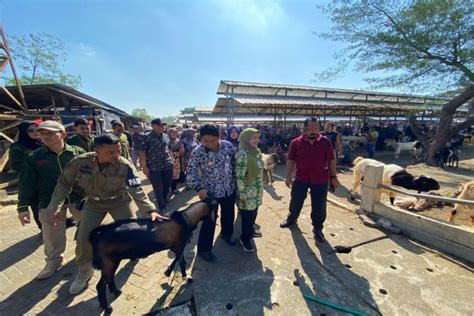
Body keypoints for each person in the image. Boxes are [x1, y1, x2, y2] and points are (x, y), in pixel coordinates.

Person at [47, 134, 168, 294]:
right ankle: (85, 270)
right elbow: (64, 184)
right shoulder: (79, 162)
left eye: (118, 151)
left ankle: (135, 252)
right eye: (111, 152)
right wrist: (55, 206)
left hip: (119, 201)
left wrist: (150, 210)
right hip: (93, 204)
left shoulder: (125, 165)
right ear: (96, 151)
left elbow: (137, 190)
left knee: (130, 233)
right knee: (84, 237)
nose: (116, 155)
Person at [17, 121, 85, 280]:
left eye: (49, 132)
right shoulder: (34, 158)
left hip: (79, 199)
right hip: (49, 202)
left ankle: (87, 256)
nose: (44, 136)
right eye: (42, 133)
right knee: (51, 235)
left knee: (86, 228)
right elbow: (26, 183)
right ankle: (53, 262)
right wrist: (22, 207)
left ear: (63, 134)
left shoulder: (77, 152)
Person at [279, 117, 340, 243]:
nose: (314, 132)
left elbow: (331, 160)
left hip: (320, 178)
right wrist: (288, 176)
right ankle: (292, 219)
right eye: (310, 129)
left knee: (319, 205)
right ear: (304, 129)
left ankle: (318, 228)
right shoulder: (296, 142)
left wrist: (333, 177)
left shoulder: (326, 142)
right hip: (301, 177)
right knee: (296, 200)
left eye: (317, 129)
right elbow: (290, 160)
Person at [186, 124, 237, 262]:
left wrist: (237, 182)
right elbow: (191, 172)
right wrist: (199, 188)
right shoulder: (198, 152)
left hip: (228, 188)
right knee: (209, 220)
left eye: (212, 141)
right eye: (205, 141)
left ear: (219, 136)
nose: (209, 144)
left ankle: (227, 234)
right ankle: (204, 249)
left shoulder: (228, 147)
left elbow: (234, 166)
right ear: (200, 138)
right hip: (210, 192)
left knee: (228, 213)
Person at [9, 121, 43, 230]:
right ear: (24, 132)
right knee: (37, 206)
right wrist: (34, 166)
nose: (35, 133)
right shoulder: (17, 147)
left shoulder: (43, 143)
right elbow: (15, 165)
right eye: (30, 130)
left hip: (47, 179)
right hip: (31, 182)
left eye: (37, 130)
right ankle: (43, 229)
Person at [235, 128, 264, 252]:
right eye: (253, 138)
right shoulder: (243, 154)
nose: (256, 140)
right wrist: (242, 193)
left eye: (257, 137)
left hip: (257, 189)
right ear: (246, 139)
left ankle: (251, 230)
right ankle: (245, 238)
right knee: (247, 216)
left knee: (254, 212)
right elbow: (239, 176)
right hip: (247, 191)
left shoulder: (256, 151)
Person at [139, 118, 173, 213]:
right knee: (158, 186)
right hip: (154, 166)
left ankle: (165, 197)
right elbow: (142, 152)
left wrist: (172, 159)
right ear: (153, 126)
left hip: (167, 164)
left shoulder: (166, 136)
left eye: (163, 125)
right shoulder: (147, 137)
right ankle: (161, 205)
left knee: (168, 183)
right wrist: (144, 167)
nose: (162, 127)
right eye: (160, 125)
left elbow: (168, 148)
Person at [168, 128, 185, 194]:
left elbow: (182, 151)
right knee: (168, 176)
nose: (174, 134)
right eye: (172, 132)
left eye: (175, 132)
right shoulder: (166, 141)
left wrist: (175, 154)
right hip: (167, 162)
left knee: (175, 176)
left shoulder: (179, 141)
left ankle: (174, 189)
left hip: (177, 162)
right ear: (169, 133)